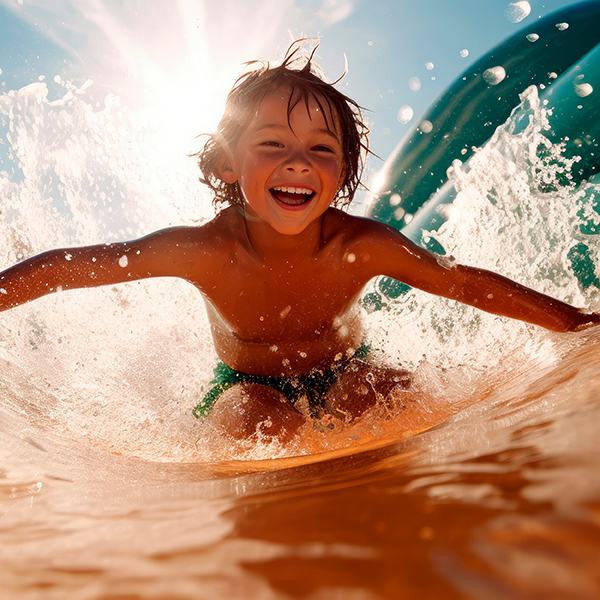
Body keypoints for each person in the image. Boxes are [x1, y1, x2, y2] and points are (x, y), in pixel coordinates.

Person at [0, 44, 598, 442]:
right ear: (230, 164)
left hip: (347, 367)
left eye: (321, 149)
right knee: (265, 427)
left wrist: (570, 320)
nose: (298, 164)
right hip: (244, 386)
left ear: (341, 175)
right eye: (273, 144)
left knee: (381, 397)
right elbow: (84, 266)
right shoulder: (206, 251)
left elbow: (460, 281)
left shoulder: (360, 245)